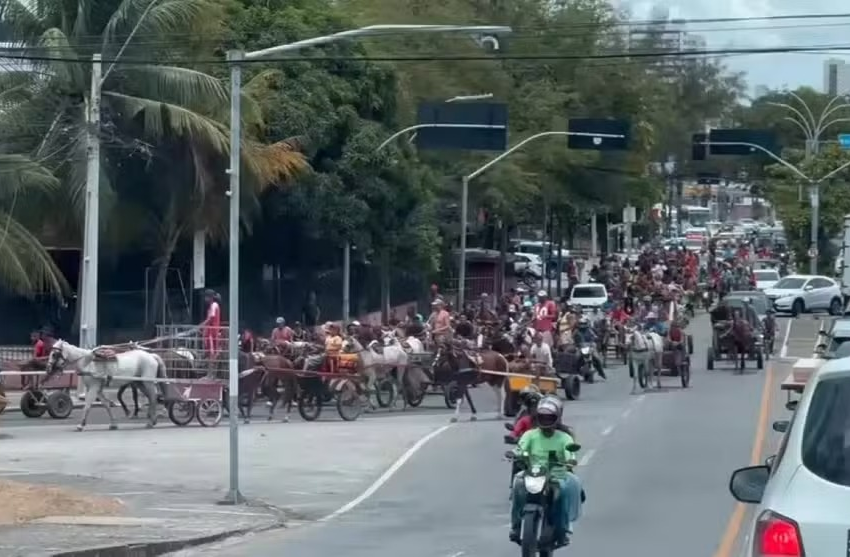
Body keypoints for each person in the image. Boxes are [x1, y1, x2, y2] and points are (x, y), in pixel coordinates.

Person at [509, 395, 583, 547]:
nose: (546, 420)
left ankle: (566, 527)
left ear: (557, 418)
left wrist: (570, 460)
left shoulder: (564, 437)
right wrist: (516, 454)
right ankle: (515, 526)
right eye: (543, 417)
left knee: (567, 488)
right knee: (517, 483)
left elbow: (570, 452)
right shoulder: (530, 435)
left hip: (558, 474)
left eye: (550, 417)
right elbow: (520, 447)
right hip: (533, 472)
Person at [201, 289, 222, 376]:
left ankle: (211, 374)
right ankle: (209, 373)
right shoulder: (211, 306)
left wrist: (202, 324)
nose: (205, 299)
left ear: (210, 297)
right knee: (210, 353)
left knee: (212, 353)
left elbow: (211, 317)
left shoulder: (214, 305)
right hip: (210, 332)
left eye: (206, 297)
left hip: (212, 333)